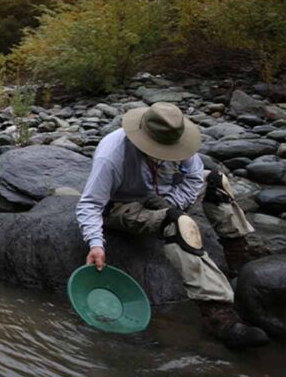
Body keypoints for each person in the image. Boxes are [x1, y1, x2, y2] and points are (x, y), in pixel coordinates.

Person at [76, 102, 270, 348]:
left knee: (216, 182)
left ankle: (238, 258)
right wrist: (96, 244)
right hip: (121, 206)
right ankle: (217, 313)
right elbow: (90, 204)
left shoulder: (177, 140)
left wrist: (171, 203)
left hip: (162, 199)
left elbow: (192, 178)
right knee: (179, 224)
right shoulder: (111, 154)